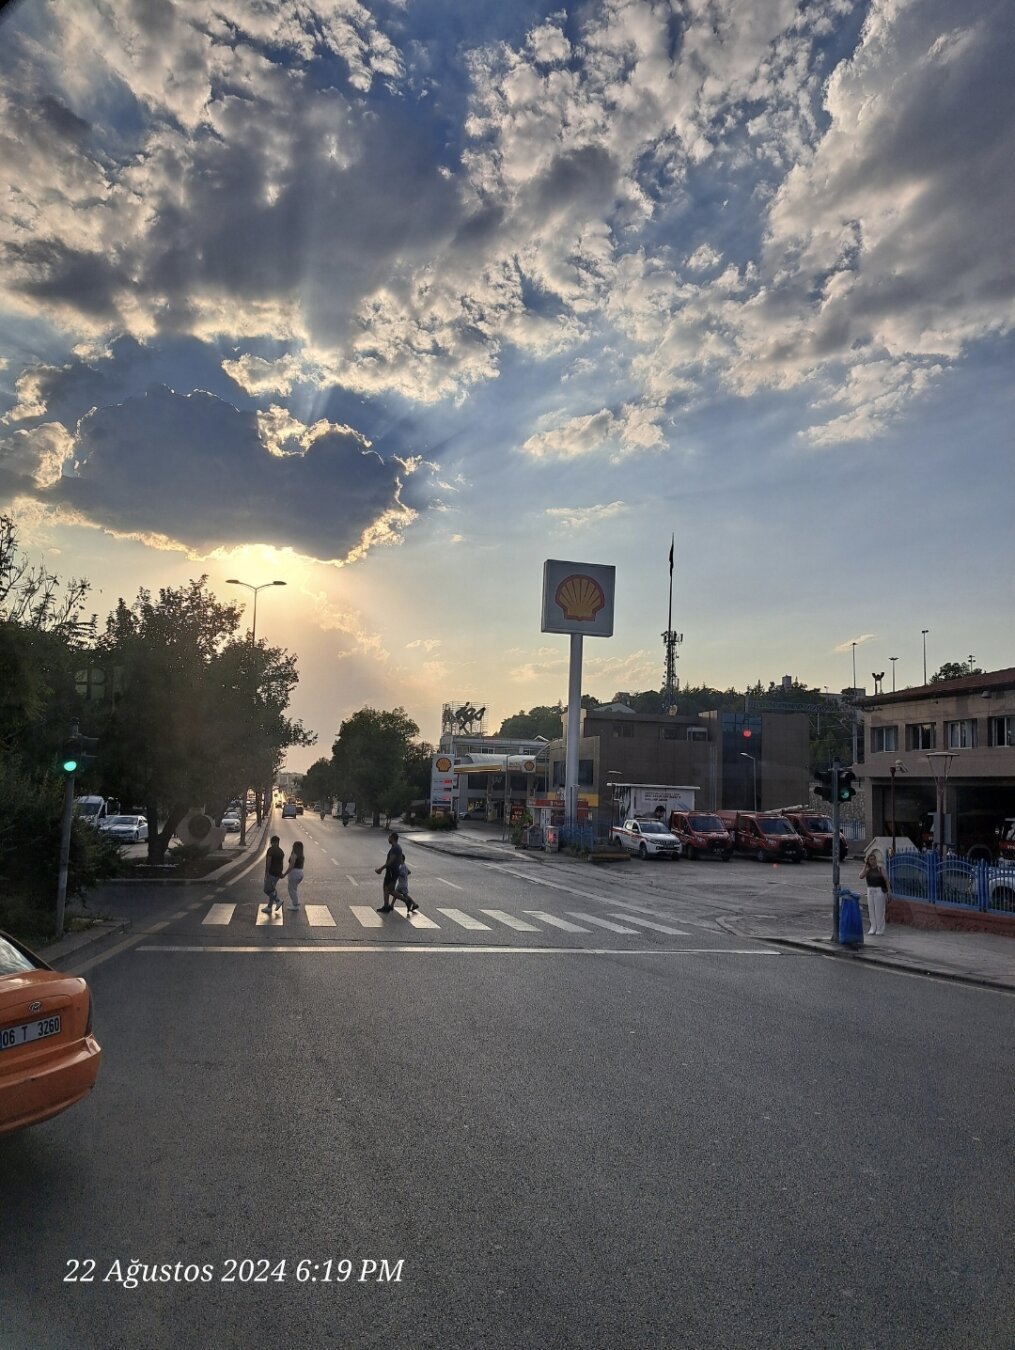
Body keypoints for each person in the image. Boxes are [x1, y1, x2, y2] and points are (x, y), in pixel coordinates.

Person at [375, 831, 418, 915]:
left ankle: (406, 901)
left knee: (390, 890)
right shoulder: (395, 847)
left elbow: (391, 860)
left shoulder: (396, 848)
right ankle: (386, 906)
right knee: (386, 888)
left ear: (393, 838)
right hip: (391, 871)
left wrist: (381, 868)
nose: (388, 839)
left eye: (389, 837)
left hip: (392, 871)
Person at [860, 848, 888, 936]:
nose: (873, 861)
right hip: (870, 889)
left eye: (874, 859)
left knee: (879, 910)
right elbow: (861, 876)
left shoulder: (880, 869)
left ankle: (880, 928)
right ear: (868, 861)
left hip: (879, 889)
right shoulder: (867, 869)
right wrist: (865, 866)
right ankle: (873, 927)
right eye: (871, 859)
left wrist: (889, 892)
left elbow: (886, 880)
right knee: (871, 910)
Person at [262, 835, 285, 913]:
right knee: (272, 889)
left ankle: (278, 900)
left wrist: (266, 872)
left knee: (267, 890)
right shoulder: (281, 851)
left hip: (271, 873)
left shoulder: (270, 850)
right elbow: (281, 863)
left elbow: (268, 862)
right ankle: (269, 907)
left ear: (272, 842)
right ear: (278, 842)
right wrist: (281, 873)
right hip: (277, 874)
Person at [283, 840, 305, 911]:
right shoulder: (301, 856)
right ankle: (296, 902)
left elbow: (291, 866)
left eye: (293, 845)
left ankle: (295, 905)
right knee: (294, 888)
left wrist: (284, 874)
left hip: (294, 873)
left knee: (291, 889)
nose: (292, 846)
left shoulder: (294, 855)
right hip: (300, 872)